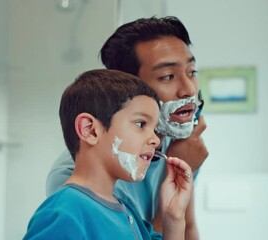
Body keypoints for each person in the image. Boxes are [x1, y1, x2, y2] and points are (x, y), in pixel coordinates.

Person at [46, 16, 208, 239]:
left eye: (191, 72)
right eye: (168, 76)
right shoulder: (75, 179)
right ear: (130, 87)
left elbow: (188, 227)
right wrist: (168, 214)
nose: (189, 89)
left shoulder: (181, 148)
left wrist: (174, 212)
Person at [24, 69, 193, 239]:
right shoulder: (65, 212)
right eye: (141, 124)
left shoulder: (128, 213)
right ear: (90, 130)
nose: (155, 140)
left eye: (154, 128)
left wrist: (174, 216)